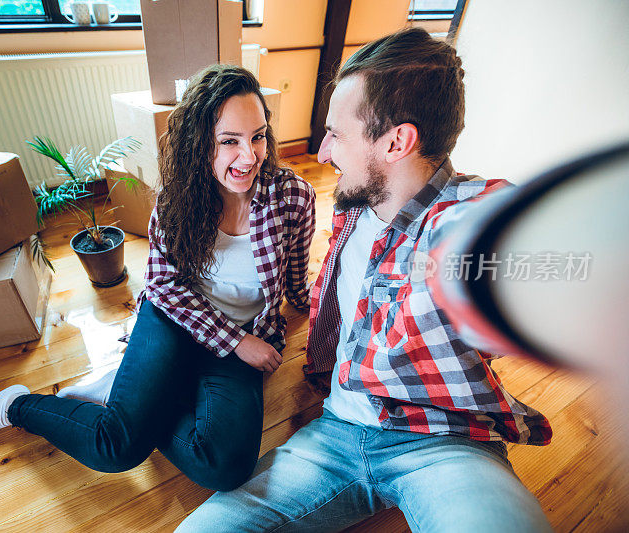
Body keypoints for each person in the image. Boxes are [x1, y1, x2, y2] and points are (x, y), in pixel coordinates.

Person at [177, 28, 553, 531]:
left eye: (337, 133)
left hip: (446, 444)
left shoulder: (461, 220)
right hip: (336, 431)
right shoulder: (354, 207)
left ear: (397, 142)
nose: (324, 150)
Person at [0, 65, 316, 492]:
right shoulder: (177, 201)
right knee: (114, 447)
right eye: (229, 141)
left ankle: (134, 398)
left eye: (258, 136)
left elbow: (296, 275)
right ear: (199, 143)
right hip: (176, 319)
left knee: (224, 467)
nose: (250, 156)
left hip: (244, 334)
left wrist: (315, 321)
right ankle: (15, 405)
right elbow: (166, 287)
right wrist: (238, 343)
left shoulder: (293, 196)